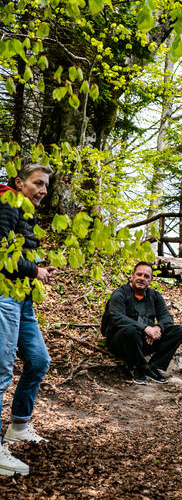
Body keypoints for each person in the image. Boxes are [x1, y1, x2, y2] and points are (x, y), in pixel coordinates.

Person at [0, 163, 57, 476]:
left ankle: (19, 425)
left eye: (46, 186)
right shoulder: (6, 202)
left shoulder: (23, 209)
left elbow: (20, 250)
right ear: (20, 183)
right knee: (1, 370)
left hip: (22, 297)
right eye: (38, 184)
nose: (43, 191)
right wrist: (35, 270)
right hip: (4, 295)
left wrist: (39, 270)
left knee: (37, 361)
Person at [104, 262, 182, 385]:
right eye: (139, 274)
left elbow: (167, 318)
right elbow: (118, 318)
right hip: (121, 342)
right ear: (132, 276)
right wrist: (146, 329)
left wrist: (158, 327)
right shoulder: (120, 294)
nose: (142, 278)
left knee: (179, 331)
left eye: (146, 276)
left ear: (151, 280)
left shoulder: (155, 296)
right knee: (130, 330)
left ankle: (154, 366)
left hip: (145, 342)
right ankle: (140, 368)